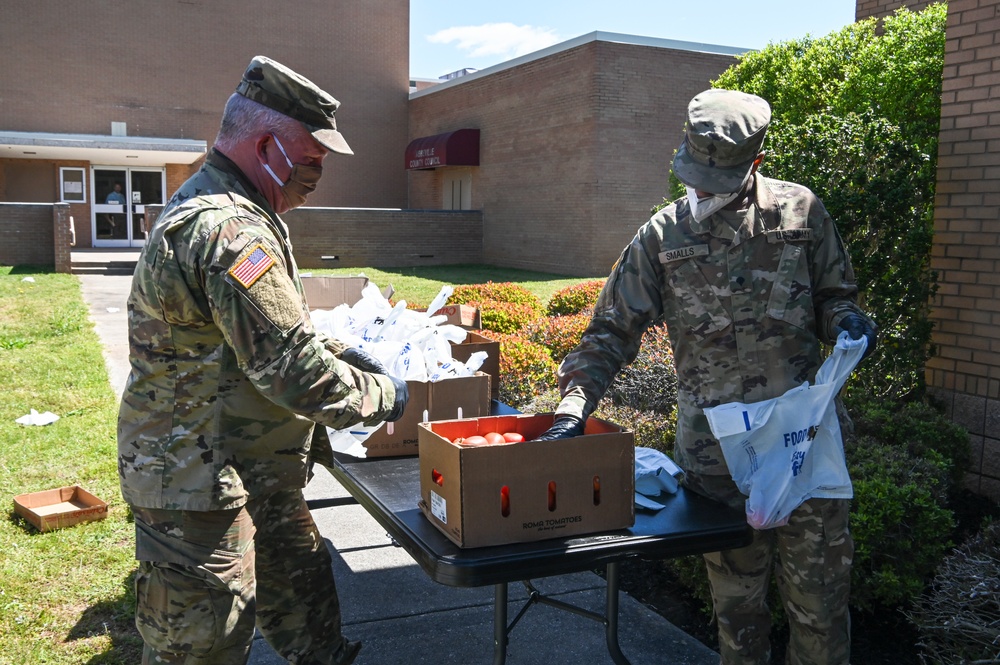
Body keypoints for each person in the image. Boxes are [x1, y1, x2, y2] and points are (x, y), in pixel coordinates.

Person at [535, 88, 877, 665]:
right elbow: (611, 331)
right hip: (719, 459)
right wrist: (573, 408)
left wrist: (848, 321)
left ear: (757, 162)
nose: (702, 190)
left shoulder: (802, 213)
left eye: (718, 179)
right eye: (694, 174)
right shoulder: (661, 237)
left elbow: (832, 297)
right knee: (738, 616)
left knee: (820, 612)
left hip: (802, 450)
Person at [117, 55, 409, 665]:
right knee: (203, 645)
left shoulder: (232, 209)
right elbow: (300, 380)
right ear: (267, 143)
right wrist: (388, 393)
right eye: (312, 155)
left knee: (305, 601)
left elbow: (247, 339)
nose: (319, 168)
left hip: (250, 467)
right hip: (198, 484)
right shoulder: (232, 231)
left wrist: (333, 351)